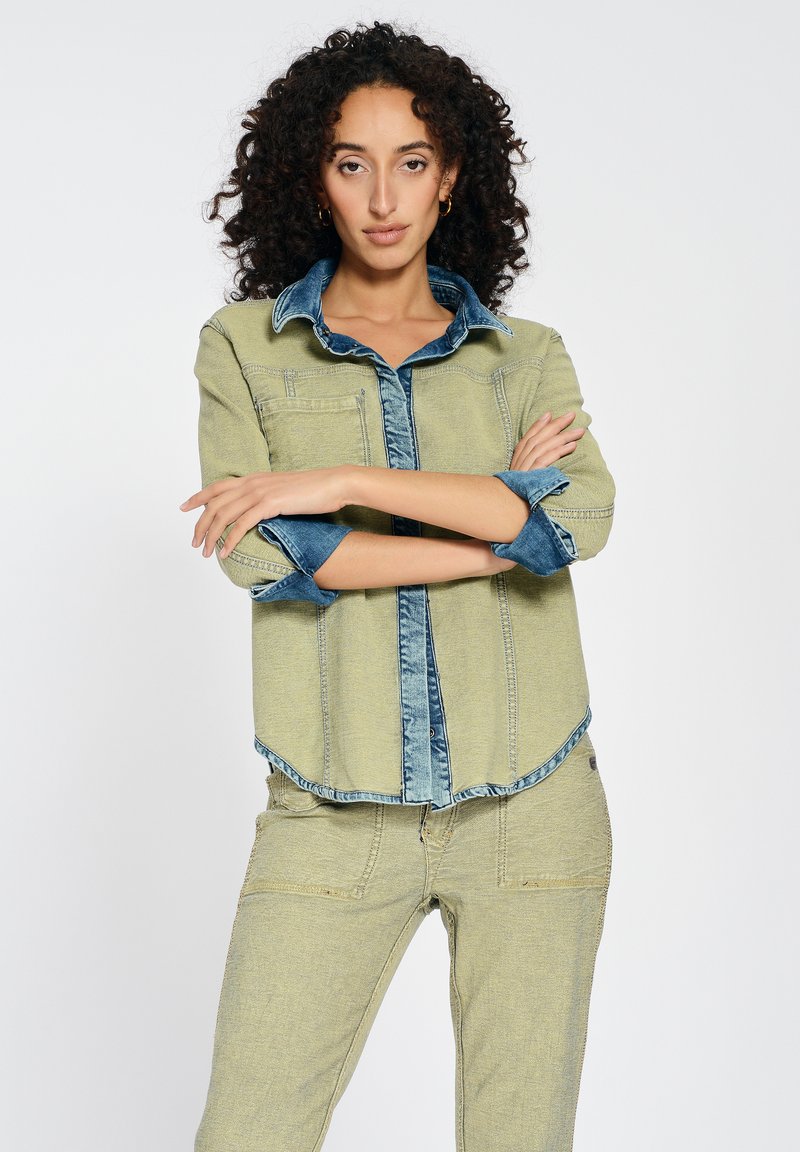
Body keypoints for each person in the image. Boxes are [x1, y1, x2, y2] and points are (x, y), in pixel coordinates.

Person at [181, 20, 615, 1152]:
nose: (383, 198)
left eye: (412, 162)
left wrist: (340, 481)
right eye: (351, 163)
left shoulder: (525, 356)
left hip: (533, 805)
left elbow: (578, 517)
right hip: (331, 810)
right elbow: (268, 555)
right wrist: (498, 529)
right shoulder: (243, 346)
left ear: (451, 175)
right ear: (311, 176)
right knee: (246, 1134)